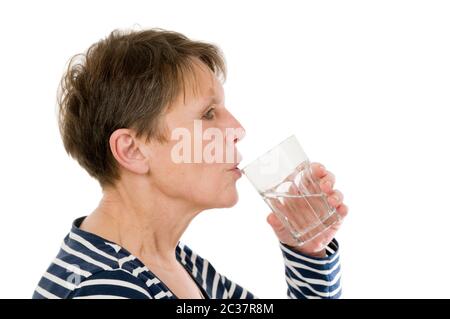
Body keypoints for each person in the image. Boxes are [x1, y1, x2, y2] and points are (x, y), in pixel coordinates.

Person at [33, 28, 348, 299]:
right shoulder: (104, 288)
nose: (238, 130)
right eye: (208, 114)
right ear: (133, 150)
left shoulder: (175, 263)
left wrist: (309, 252)